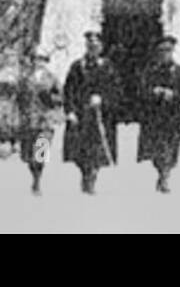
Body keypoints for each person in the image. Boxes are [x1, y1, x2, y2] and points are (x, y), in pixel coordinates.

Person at [62, 31, 122, 194]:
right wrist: (70, 111)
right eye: (89, 46)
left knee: (97, 151)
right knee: (80, 151)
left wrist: (103, 99)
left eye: (95, 46)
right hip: (81, 116)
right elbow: (68, 91)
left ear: (101, 48)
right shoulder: (77, 67)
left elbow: (117, 91)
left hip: (101, 117)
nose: (92, 49)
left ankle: (91, 177)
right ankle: (85, 173)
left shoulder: (108, 67)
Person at [137, 35, 180, 193]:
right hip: (154, 117)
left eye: (168, 50)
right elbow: (141, 91)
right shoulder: (150, 71)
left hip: (173, 117)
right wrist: (154, 92)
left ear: (172, 51)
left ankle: (165, 174)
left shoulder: (179, 71)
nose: (164, 54)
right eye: (161, 51)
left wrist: (174, 95)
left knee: (173, 147)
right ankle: (163, 175)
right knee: (158, 149)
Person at [15, 49, 62, 195]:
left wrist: (50, 98)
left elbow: (61, 98)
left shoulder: (52, 78)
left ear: (46, 61)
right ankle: (33, 174)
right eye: (35, 59)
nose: (38, 62)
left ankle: (37, 181)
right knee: (28, 155)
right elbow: (18, 99)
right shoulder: (25, 78)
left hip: (45, 120)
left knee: (40, 153)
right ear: (32, 61)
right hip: (28, 121)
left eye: (42, 59)